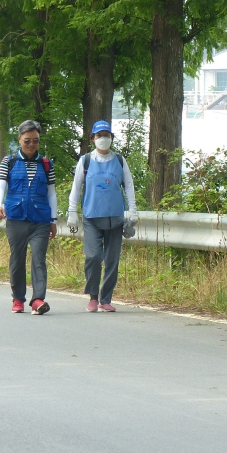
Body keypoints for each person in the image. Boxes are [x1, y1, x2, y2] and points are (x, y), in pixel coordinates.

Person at [66, 120, 137, 313]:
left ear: (112, 138)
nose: (103, 139)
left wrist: (133, 211)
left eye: (106, 135)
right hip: (92, 217)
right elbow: (76, 187)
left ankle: (106, 299)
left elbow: (128, 186)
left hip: (115, 217)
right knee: (94, 256)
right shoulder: (86, 161)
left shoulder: (120, 161)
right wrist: (72, 212)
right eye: (99, 136)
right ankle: (92, 296)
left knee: (112, 259)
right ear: (92, 139)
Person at [0, 120, 57, 315]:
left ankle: (38, 300)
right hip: (16, 218)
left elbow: (51, 193)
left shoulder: (46, 164)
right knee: (17, 258)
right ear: (19, 139)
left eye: (35, 141)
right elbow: (1, 185)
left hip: (40, 220)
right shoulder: (9, 161)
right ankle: (18, 299)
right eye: (27, 140)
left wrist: (53, 220)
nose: (31, 145)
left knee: (39, 258)